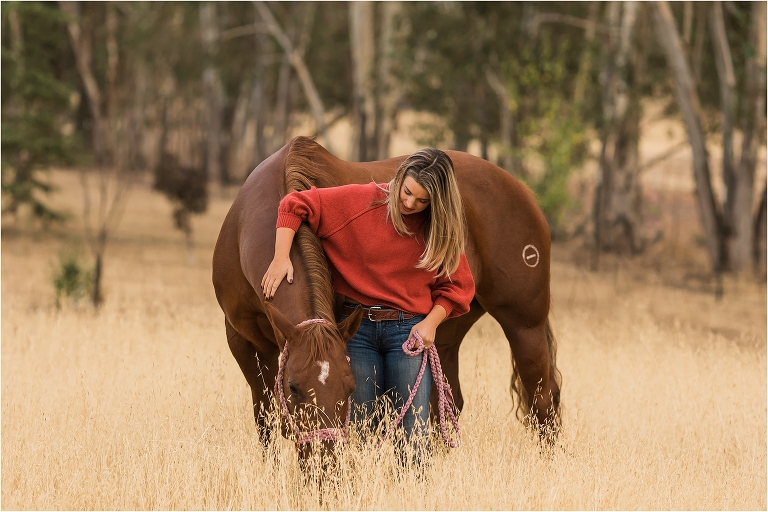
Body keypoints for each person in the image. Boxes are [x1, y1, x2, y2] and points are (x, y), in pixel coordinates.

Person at [261, 147, 475, 457]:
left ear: (437, 203)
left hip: (409, 329)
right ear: (400, 179)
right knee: (358, 425)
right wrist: (281, 257)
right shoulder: (363, 200)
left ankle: (412, 497)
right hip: (356, 328)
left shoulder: (440, 230)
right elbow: (295, 204)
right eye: (407, 192)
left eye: (422, 201)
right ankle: (359, 495)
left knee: (413, 429)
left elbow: (456, 287)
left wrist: (431, 323)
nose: (410, 204)